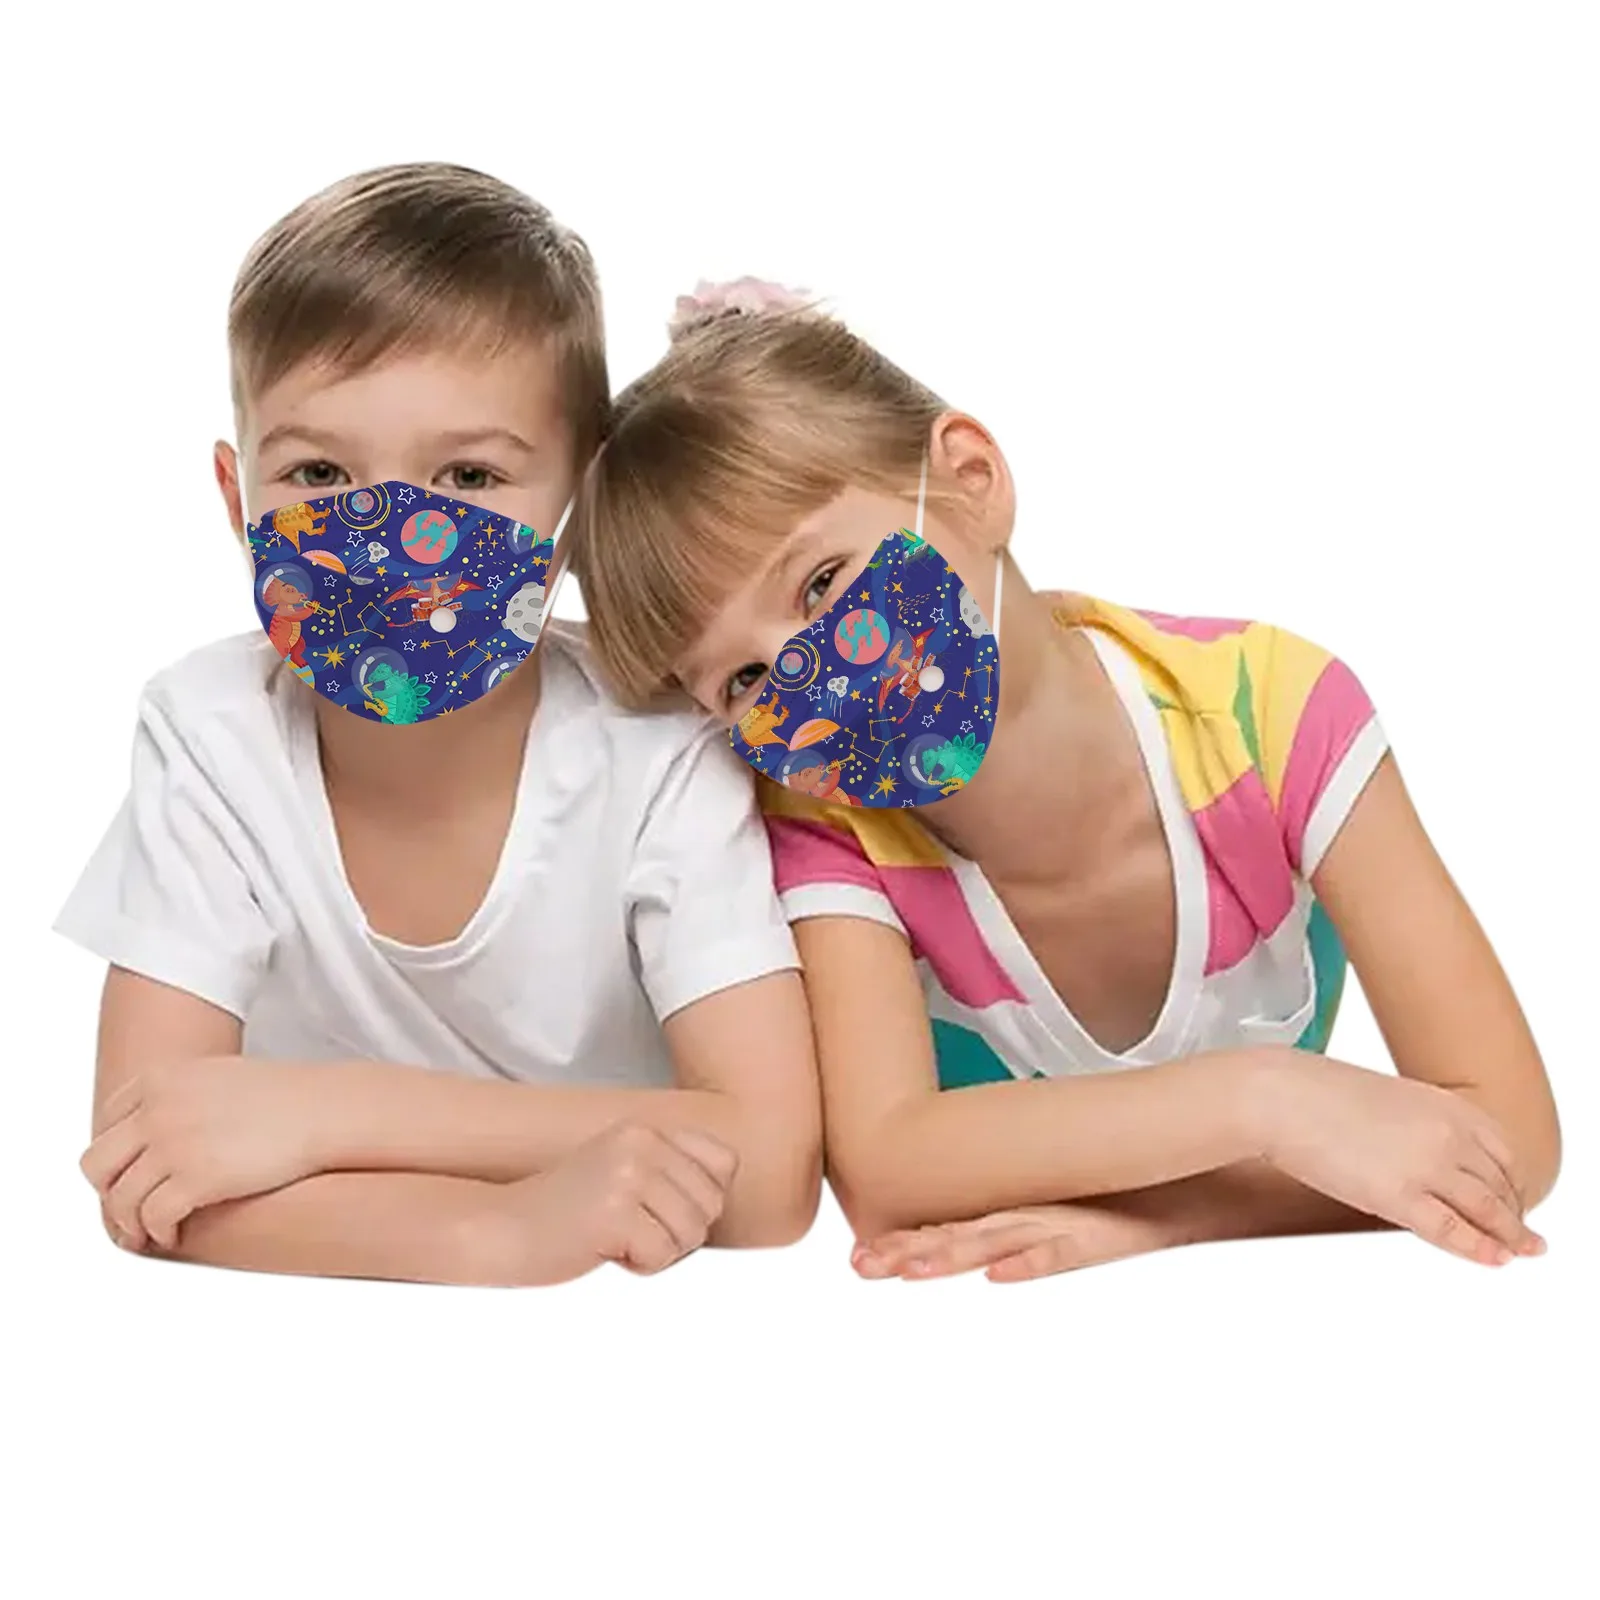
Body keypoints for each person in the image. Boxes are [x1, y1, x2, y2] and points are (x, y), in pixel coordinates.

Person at [568, 278, 1561, 1282]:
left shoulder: (1271, 713)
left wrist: (1168, 1220)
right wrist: (1262, 1101)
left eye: (822, 583)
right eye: (744, 680)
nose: (808, 682)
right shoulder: (828, 829)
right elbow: (886, 1166)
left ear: (971, 479)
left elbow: (1510, 1135)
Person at [57, 176, 821, 1286]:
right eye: (319, 473)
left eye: (470, 475)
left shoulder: (660, 747)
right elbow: (140, 1171)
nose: (396, 534)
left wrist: (322, 1116)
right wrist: (500, 1231)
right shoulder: (211, 734)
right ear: (237, 498)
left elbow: (772, 1172)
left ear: (582, 503)